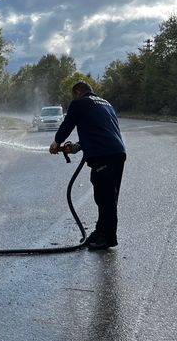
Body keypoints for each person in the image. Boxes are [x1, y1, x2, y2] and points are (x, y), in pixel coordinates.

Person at [49, 82, 126, 250]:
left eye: (73, 95)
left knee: (105, 199)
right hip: (117, 153)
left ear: (77, 92)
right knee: (107, 198)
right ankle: (100, 232)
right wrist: (77, 146)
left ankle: (108, 238)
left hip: (104, 155)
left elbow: (67, 125)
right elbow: (100, 131)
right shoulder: (105, 103)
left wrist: (56, 143)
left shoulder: (79, 103)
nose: (73, 99)